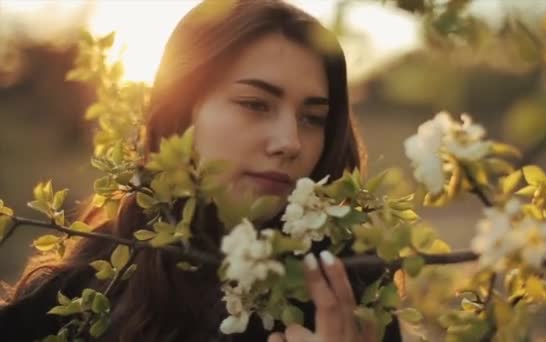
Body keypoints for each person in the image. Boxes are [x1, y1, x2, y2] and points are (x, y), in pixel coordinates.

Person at [0, 1, 401, 341]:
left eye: (313, 118)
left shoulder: (348, 296)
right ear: (181, 114)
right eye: (255, 104)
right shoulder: (76, 300)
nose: (290, 141)